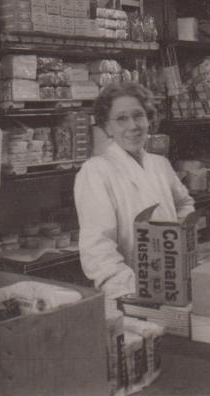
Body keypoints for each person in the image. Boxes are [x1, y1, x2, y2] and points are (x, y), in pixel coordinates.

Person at [74, 82, 195, 300]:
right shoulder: (95, 171)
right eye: (121, 118)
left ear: (149, 120)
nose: (133, 126)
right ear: (106, 127)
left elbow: (185, 204)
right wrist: (125, 288)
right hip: (128, 291)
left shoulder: (160, 164)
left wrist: (175, 242)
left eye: (138, 115)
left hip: (171, 278)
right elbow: (98, 247)